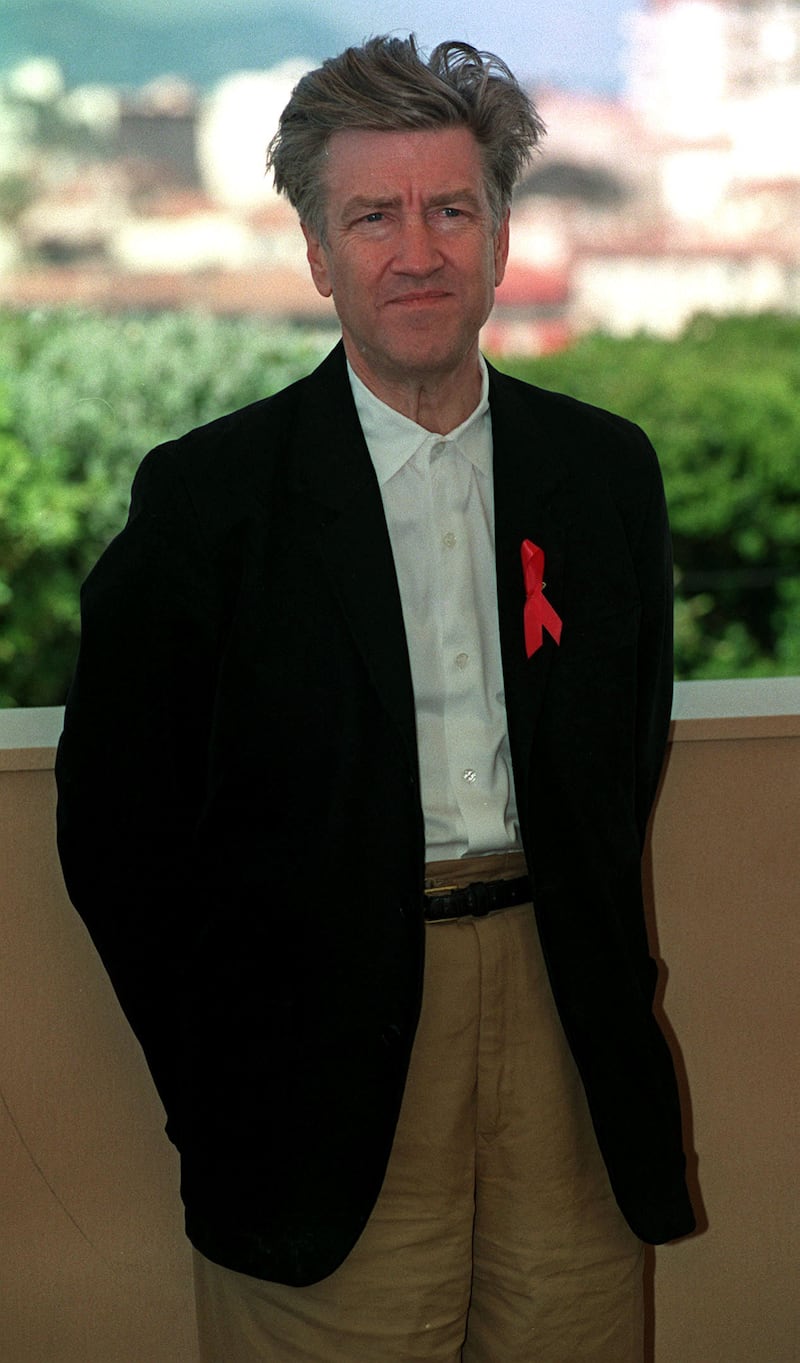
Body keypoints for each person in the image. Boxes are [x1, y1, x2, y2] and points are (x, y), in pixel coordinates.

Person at [55, 34, 696, 1363]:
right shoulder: (208, 506)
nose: (418, 250)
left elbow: (621, 756)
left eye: (451, 209)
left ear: (502, 238)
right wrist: (223, 1086)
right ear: (317, 253)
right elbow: (117, 832)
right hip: (313, 1058)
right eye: (373, 215)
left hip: (563, 1031)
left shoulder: (606, 476)